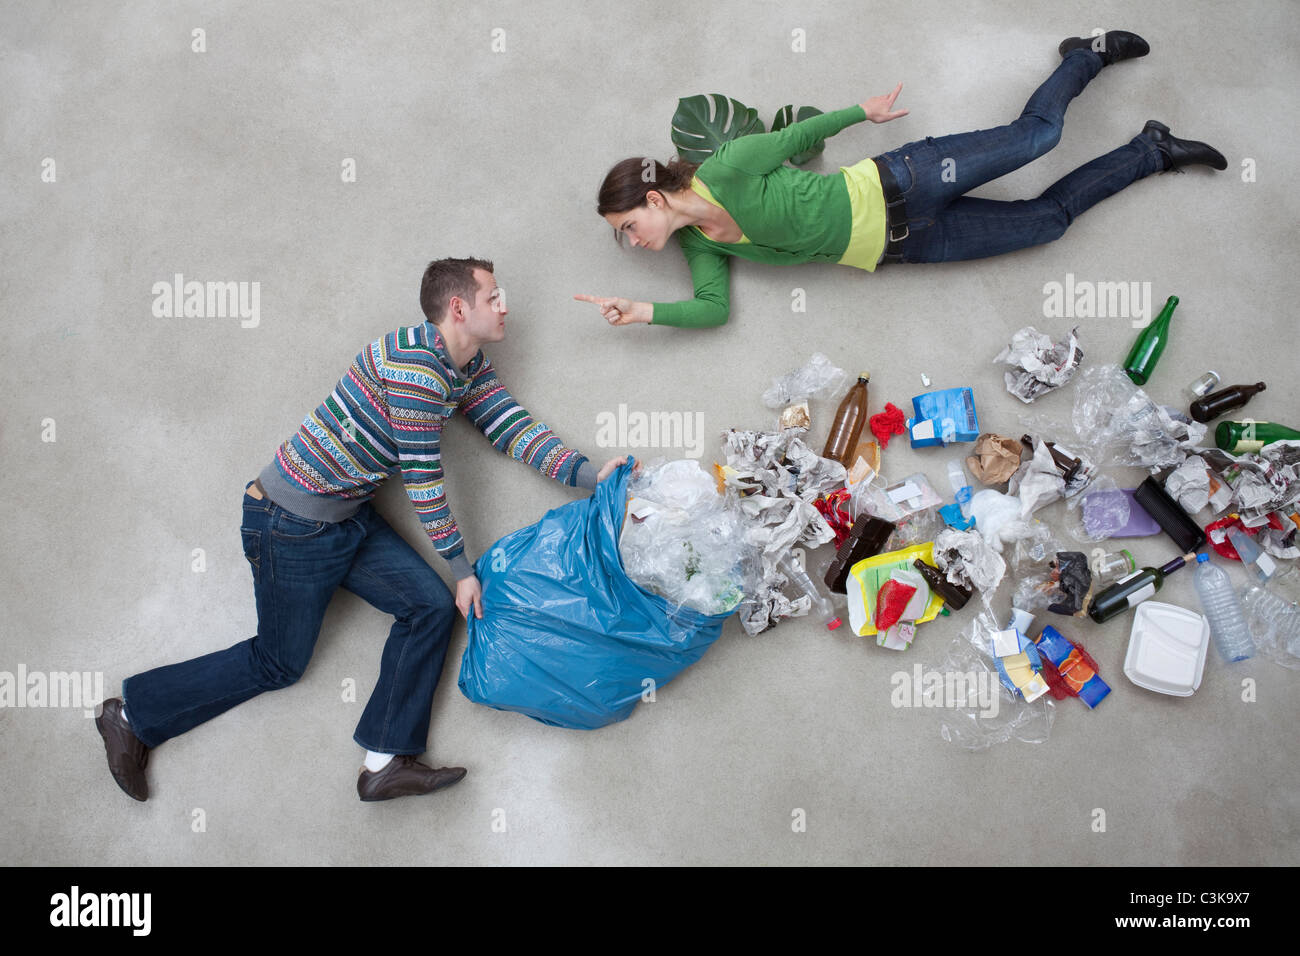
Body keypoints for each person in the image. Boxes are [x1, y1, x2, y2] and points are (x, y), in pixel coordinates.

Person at [96, 257, 628, 803]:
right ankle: (131, 714)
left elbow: (511, 427)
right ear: (458, 308)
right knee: (278, 663)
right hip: (289, 525)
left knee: (429, 608)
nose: (505, 305)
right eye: (493, 297)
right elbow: (423, 479)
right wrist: (462, 570)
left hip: (345, 516)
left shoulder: (465, 364)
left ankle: (383, 764)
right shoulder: (415, 368)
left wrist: (591, 475)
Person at [575, 31, 1227, 329]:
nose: (633, 241)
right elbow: (714, 310)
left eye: (629, 227)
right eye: (623, 238)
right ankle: (1152, 150)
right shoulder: (702, 246)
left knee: (1040, 137)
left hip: (904, 181)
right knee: (1048, 223)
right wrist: (643, 311)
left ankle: (1085, 55)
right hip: (908, 247)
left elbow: (793, 139)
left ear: (654, 197)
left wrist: (864, 112)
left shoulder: (725, 169)